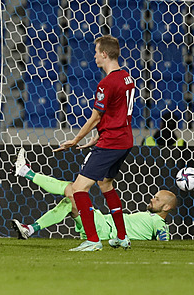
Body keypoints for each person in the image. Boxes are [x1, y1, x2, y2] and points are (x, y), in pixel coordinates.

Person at [53, 35, 136, 252]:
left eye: (97, 52)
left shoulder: (106, 83)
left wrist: (76, 139)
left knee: (78, 189)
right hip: (124, 140)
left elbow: (96, 117)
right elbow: (118, 113)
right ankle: (122, 237)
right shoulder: (128, 78)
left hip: (111, 143)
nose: (94, 56)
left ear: (105, 54)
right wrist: (98, 136)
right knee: (105, 184)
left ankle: (92, 240)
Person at [11, 148, 177, 241]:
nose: (151, 199)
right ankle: (30, 229)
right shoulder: (149, 217)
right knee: (69, 201)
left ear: (167, 206)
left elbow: (165, 242)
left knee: (72, 190)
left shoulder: (158, 222)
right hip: (101, 221)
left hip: (105, 229)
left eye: (157, 199)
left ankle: (26, 172)